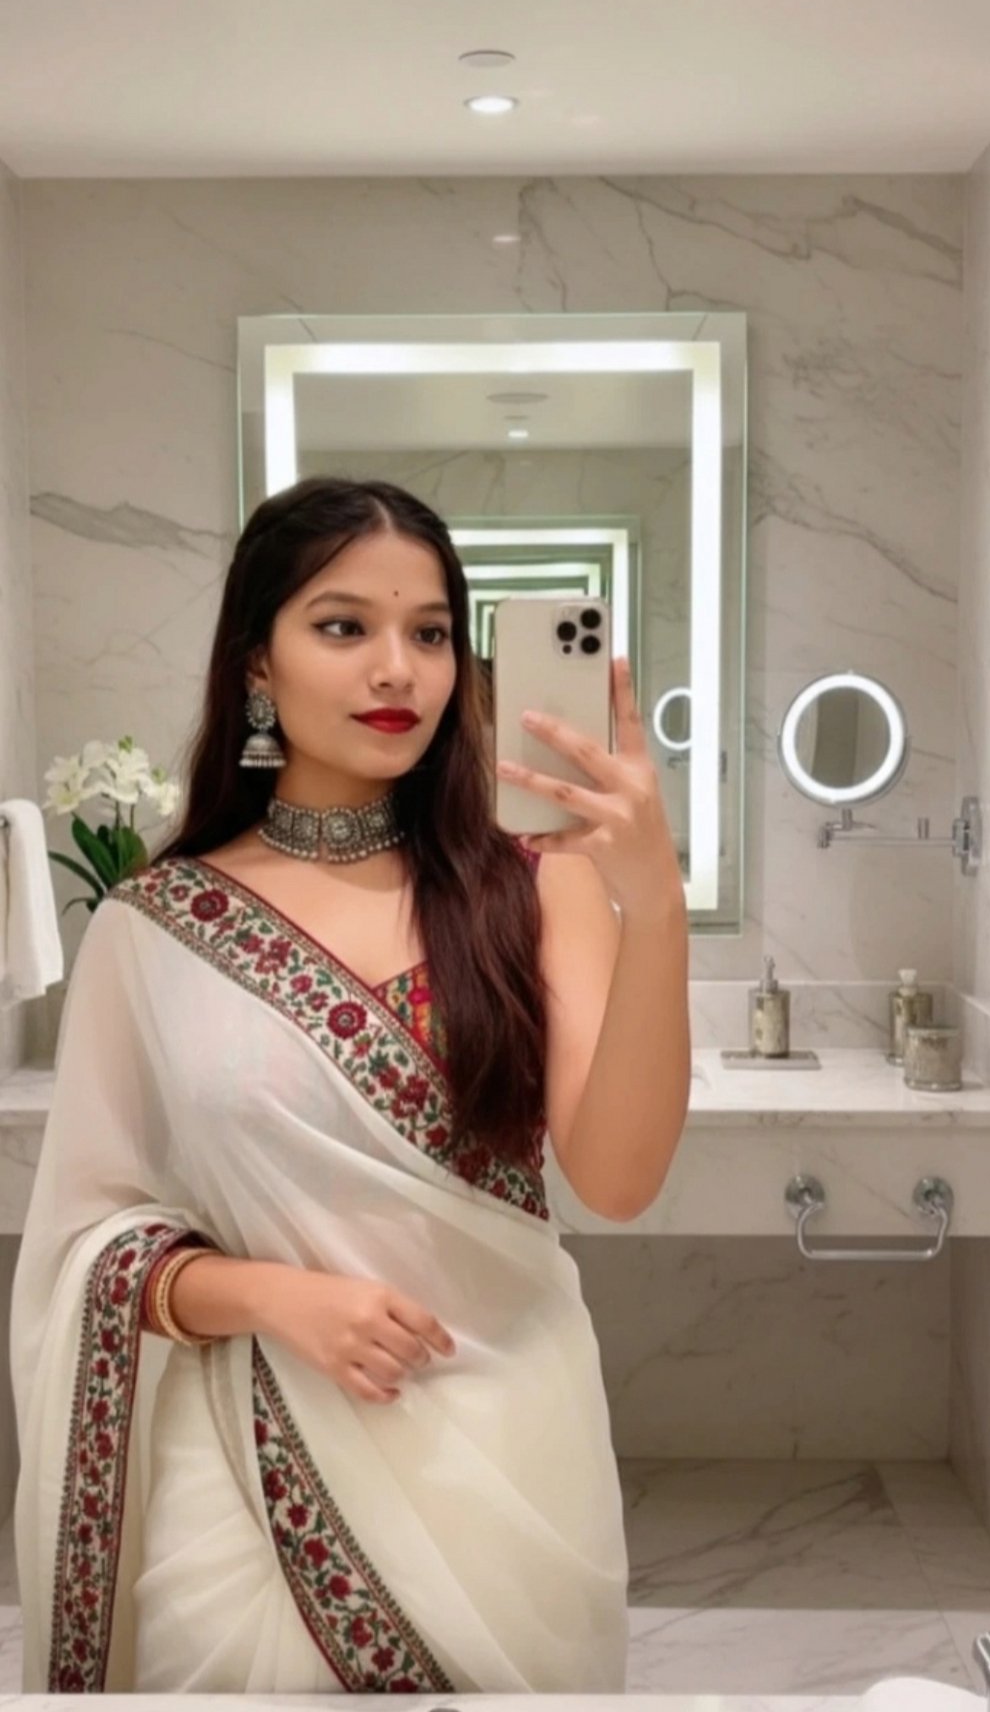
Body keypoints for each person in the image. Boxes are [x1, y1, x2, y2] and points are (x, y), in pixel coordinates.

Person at [10, 475, 686, 1693]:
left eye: (430, 633)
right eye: (342, 626)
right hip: (244, 1485)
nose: (397, 669)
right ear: (256, 664)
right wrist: (274, 1296)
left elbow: (621, 1178)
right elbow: (84, 1249)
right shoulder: (153, 928)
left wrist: (656, 900)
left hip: (510, 1474)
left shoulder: (534, 887)